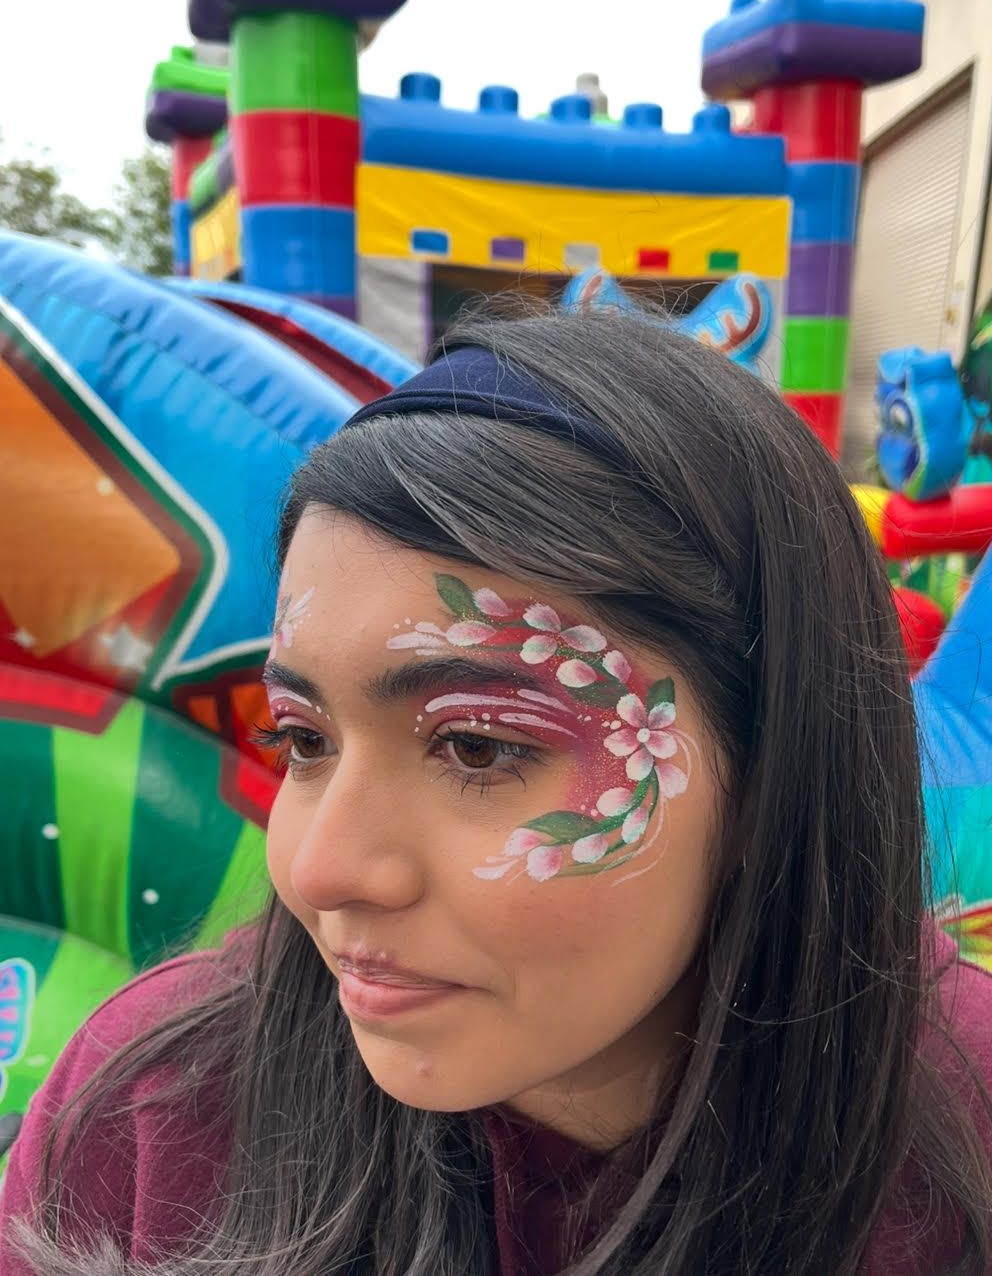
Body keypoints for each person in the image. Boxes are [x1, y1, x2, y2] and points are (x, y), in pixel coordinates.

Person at [2, 305, 991, 1276]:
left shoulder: (965, 1124)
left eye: (477, 747)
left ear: (771, 766)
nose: (318, 867)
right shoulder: (149, 1114)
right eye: (300, 739)